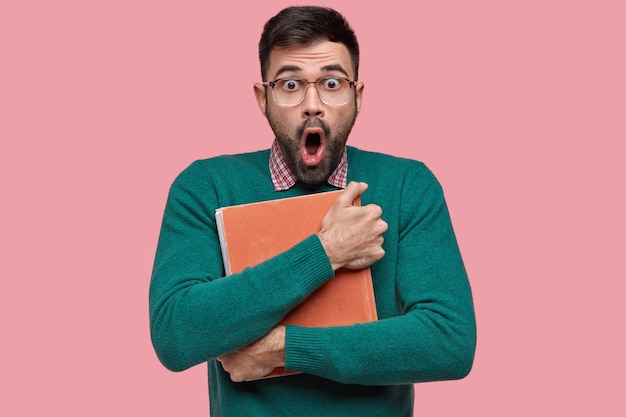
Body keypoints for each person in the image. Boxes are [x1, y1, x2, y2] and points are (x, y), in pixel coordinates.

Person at [149, 5, 476, 416]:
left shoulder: (408, 186)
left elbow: (449, 341)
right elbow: (176, 334)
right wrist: (327, 251)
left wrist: (287, 349)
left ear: (356, 97)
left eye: (332, 82)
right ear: (262, 97)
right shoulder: (206, 186)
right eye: (290, 84)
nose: (313, 104)